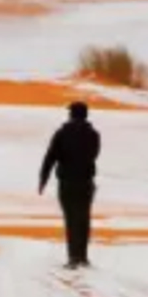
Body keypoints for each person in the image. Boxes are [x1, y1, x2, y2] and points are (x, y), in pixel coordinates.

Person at [39, 101, 102, 270]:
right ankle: (83, 256)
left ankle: (73, 257)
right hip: (86, 182)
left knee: (71, 219)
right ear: (85, 115)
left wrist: (43, 180)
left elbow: (50, 157)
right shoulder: (93, 134)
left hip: (67, 182)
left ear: (71, 114)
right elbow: (94, 154)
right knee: (84, 218)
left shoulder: (62, 133)